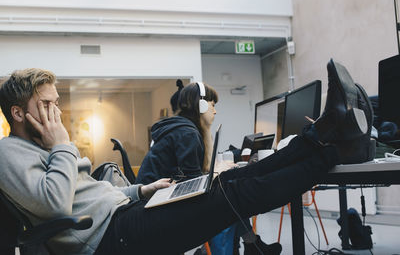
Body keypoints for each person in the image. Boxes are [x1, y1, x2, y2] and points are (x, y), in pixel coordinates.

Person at [0, 60, 373, 255]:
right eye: (46, 105)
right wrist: (63, 143)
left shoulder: (46, 146)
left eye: (56, 104)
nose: (55, 113)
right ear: (18, 113)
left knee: (226, 181)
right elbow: (52, 203)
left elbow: (92, 193)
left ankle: (320, 133)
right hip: (110, 239)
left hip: (123, 214)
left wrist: (141, 191)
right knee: (232, 197)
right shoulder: (9, 152)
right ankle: (334, 151)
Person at [137, 81, 281, 254]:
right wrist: (218, 171)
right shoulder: (187, 133)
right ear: (201, 104)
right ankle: (247, 246)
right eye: (212, 105)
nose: (215, 110)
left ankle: (249, 246)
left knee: (229, 194)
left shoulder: (183, 130)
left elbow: (189, 177)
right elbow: (192, 184)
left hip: (158, 204)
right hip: (157, 212)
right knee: (229, 199)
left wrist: (216, 171)